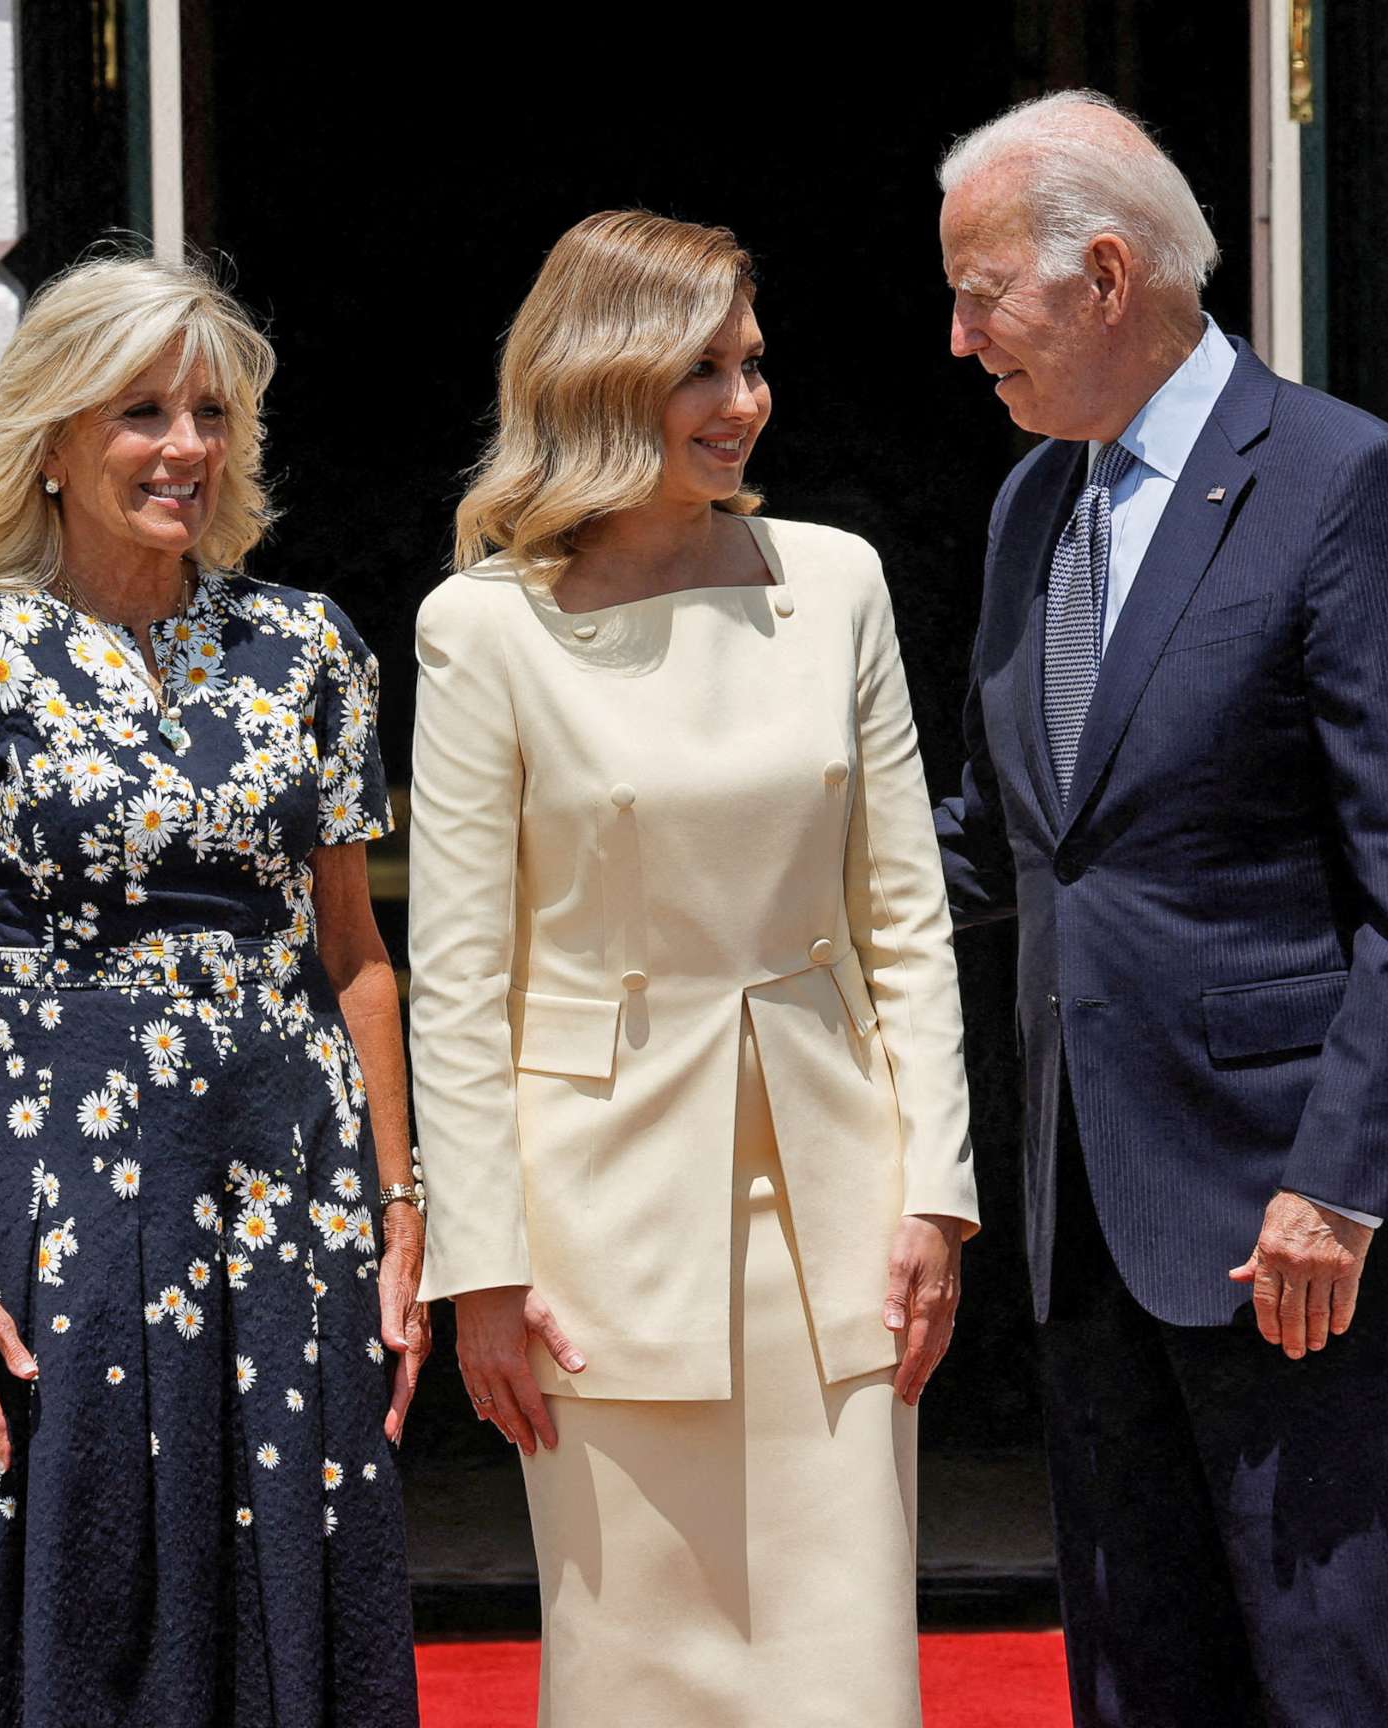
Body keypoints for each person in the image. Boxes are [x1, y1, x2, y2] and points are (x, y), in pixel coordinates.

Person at [931, 91, 1388, 1724]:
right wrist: (753, 891)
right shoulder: (1035, 504)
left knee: (1343, 1668)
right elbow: (1010, 838)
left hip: (1289, 1226)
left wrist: (1337, 1186)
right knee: (1142, 1675)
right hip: (1092, 1206)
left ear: (1105, 275)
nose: (963, 339)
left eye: (984, 295)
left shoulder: (1341, 483)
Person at [408, 210, 979, 1726]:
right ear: (601, 381)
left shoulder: (839, 581)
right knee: (631, 1668)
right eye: (701, 371)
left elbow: (905, 919)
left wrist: (938, 1196)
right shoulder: (482, 630)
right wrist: (481, 1271)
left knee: (845, 1662)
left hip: (843, 1207)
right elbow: (458, 982)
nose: (745, 401)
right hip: (596, 1229)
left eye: (752, 362)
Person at [0, 253, 423, 1725]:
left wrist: (405, 1208)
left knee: (291, 1568)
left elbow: (357, 955)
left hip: (284, 1184)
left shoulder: (307, 647)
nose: (184, 448)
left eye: (210, 414)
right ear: (52, 435)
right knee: (78, 1564)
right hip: (57, 1190)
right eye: (141, 413)